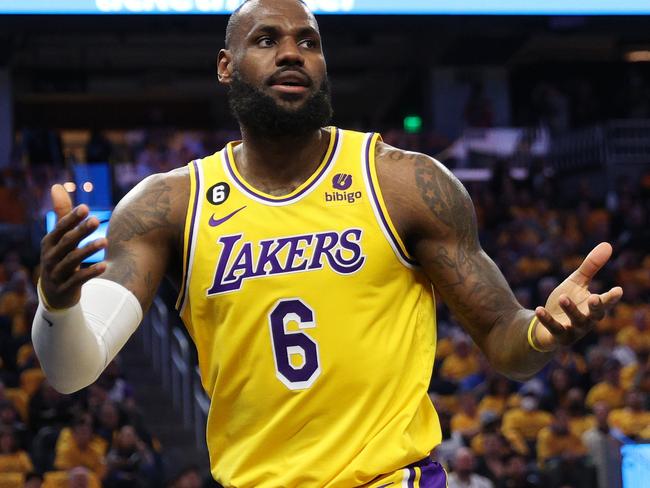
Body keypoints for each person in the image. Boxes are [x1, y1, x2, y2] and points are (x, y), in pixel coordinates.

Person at [32, 0, 623, 486]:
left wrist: (542, 332)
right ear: (225, 65)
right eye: (266, 40)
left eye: (308, 42)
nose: (292, 52)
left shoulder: (404, 182)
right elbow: (73, 368)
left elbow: (504, 340)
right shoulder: (168, 204)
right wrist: (57, 305)